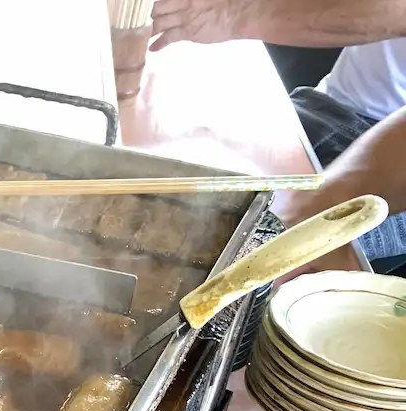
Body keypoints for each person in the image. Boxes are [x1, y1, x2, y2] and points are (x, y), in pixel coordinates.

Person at [150, 0, 406, 272]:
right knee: (180, 192)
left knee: (240, 257)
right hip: (324, 105)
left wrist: (233, 13)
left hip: (390, 171)